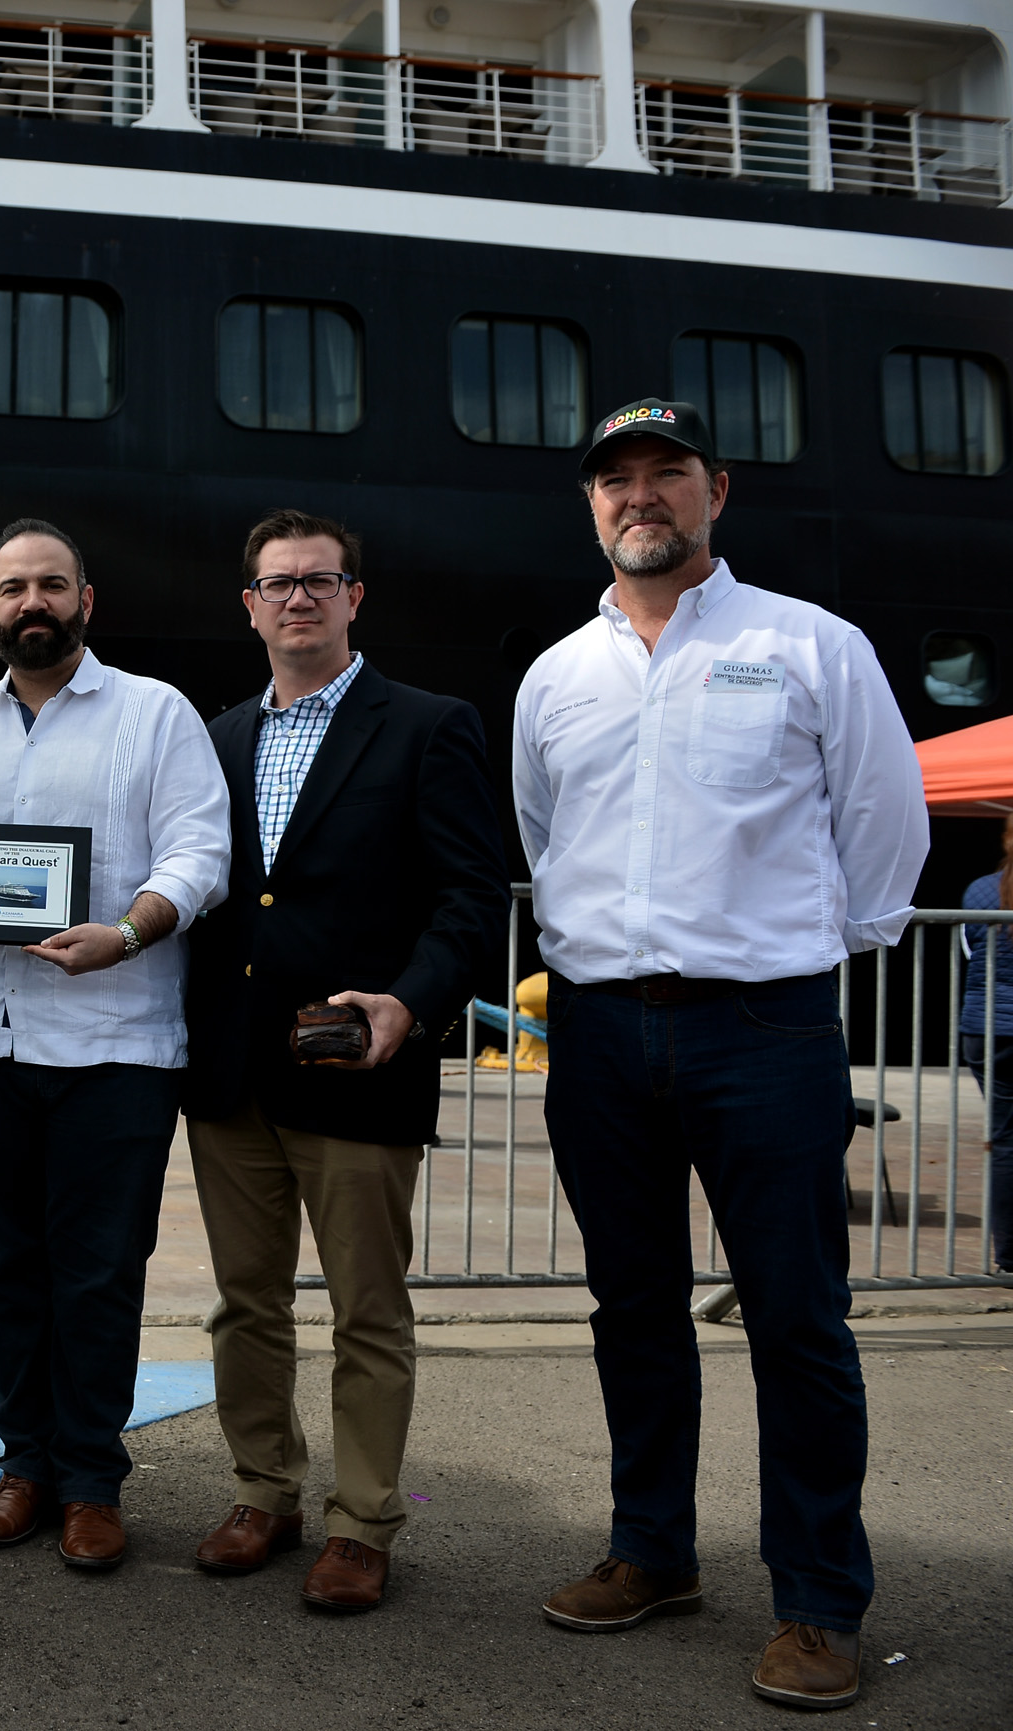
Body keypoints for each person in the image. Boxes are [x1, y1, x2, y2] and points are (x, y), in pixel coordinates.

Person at [514, 399, 927, 1711]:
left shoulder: (810, 644)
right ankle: (654, 1550)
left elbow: (884, 825)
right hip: (594, 1028)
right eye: (617, 479)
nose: (642, 495)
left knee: (797, 1323)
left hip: (764, 1025)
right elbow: (545, 833)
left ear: (716, 492)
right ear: (593, 505)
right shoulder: (555, 674)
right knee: (633, 1309)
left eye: (667, 474)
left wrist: (792, 950)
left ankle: (817, 1600)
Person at [180, 507, 508, 1612]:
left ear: (352, 598)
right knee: (245, 1305)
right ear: (249, 605)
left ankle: (363, 1521)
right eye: (277, 584)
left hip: (355, 1067)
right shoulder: (215, 738)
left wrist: (409, 1006)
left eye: (319, 582)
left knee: (367, 1309)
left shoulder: (427, 725)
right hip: (229, 1075)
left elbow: (469, 900)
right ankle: (262, 1493)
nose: (298, 600)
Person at [0, 518, 229, 1573]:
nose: (31, 603)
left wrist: (125, 931)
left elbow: (198, 849)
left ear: (87, 602)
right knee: (6, 1267)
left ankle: (89, 1481)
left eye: (50, 586)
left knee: (95, 1271)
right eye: (10, 589)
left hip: (113, 1041)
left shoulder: (154, 715)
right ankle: (22, 1468)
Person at [957, 822, 1013, 1277]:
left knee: (1006, 1138)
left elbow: (970, 954)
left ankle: (1009, 1253)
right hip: (991, 1023)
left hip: (987, 1026)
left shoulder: (980, 889)